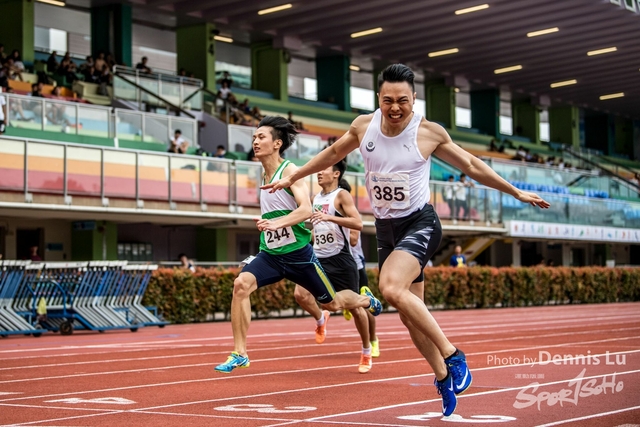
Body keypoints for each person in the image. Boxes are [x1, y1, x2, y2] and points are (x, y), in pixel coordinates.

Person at [263, 64, 549, 416]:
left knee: (390, 288)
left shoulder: (428, 133)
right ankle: (443, 376)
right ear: (378, 99)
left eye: (403, 100)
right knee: (410, 316)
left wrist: (516, 192)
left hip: (419, 222)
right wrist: (294, 177)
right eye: (388, 101)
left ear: (414, 99)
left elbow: (472, 166)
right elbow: (333, 154)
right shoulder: (363, 126)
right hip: (387, 229)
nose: (395, 108)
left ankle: (453, 355)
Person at [214, 116, 382, 374]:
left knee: (333, 304)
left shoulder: (290, 171)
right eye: (254, 137)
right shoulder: (263, 173)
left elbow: (305, 210)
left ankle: (365, 300)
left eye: (261, 137)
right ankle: (240, 353)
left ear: (277, 143)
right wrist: (269, 224)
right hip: (271, 254)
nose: (255, 141)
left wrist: (277, 224)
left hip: (299, 255)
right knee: (241, 285)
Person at [293, 160, 374, 373]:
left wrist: (329, 217)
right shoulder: (314, 198)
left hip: (341, 259)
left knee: (355, 309)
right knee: (300, 294)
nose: (319, 173)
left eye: (324, 169)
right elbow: (318, 229)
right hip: (318, 258)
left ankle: (366, 350)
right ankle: (321, 319)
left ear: (336, 174)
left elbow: (358, 223)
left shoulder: (341, 196)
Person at [341, 179, 380, 359]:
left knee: (363, 306)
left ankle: (373, 340)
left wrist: (335, 226)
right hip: (336, 265)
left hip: (355, 267)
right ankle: (344, 303)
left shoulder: (351, 215)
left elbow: (353, 240)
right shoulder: (328, 211)